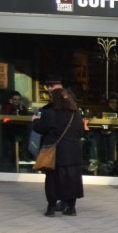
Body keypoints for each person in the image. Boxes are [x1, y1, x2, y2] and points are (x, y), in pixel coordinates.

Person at [33, 87, 86, 216]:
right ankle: (71, 207)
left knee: (52, 180)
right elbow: (81, 132)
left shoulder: (50, 113)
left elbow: (40, 129)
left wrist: (34, 120)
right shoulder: (76, 114)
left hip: (55, 153)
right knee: (72, 179)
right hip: (73, 152)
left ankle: (51, 208)